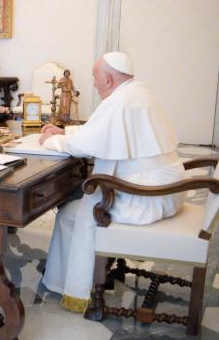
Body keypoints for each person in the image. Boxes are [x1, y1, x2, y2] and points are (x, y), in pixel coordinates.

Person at [39, 51, 186, 313]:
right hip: (165, 192)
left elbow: (84, 145)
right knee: (75, 207)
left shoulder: (119, 102)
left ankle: (71, 284)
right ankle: (87, 268)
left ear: (108, 78)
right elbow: (102, 132)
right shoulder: (137, 92)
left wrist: (50, 140)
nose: (94, 84)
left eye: (96, 78)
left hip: (146, 198)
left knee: (69, 214)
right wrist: (66, 131)